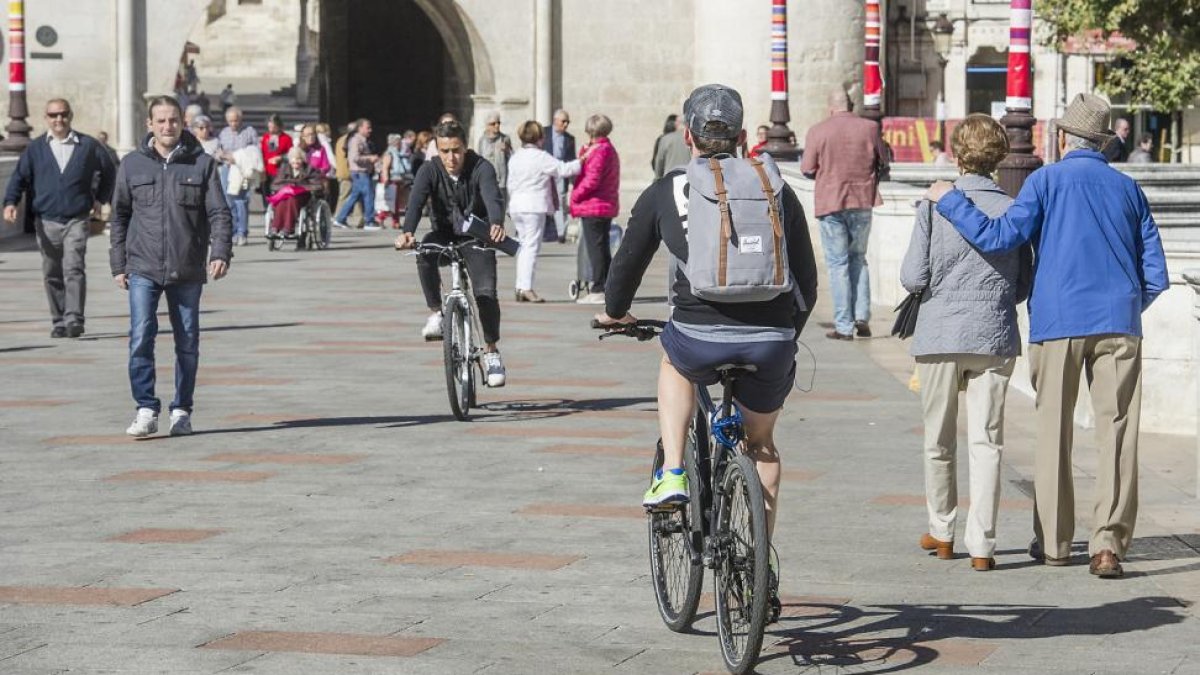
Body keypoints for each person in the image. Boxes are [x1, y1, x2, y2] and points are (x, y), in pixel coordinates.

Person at [594, 84, 818, 616]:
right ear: (743, 138)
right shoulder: (775, 188)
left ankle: (672, 469)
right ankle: (758, 568)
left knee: (673, 357)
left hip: (697, 332)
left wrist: (617, 312)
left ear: (687, 135)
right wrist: (786, 331)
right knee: (762, 445)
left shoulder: (668, 189)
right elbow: (805, 278)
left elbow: (623, 269)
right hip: (771, 339)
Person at [925, 93, 1169, 579]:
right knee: (1117, 434)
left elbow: (999, 237)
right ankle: (1108, 546)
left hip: (1058, 323)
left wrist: (949, 200)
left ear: (1063, 137)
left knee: (1053, 432)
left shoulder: (1045, 182)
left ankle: (1055, 543)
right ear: (1103, 143)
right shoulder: (1129, 190)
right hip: (1119, 323)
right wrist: (1123, 304)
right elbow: (1156, 275)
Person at [900, 114, 1033, 572]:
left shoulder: (935, 205)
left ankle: (942, 530)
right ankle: (984, 545)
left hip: (939, 334)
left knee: (938, 439)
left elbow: (912, 276)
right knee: (988, 441)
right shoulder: (1014, 207)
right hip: (993, 334)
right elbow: (1022, 285)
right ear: (999, 158)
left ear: (958, 155)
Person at [109, 95, 232, 437]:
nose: (167, 127)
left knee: (187, 341)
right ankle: (146, 407)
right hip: (143, 266)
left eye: (173, 120)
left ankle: (182, 409)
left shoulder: (201, 164)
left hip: (187, 266)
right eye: (160, 121)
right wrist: (118, 263)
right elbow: (118, 215)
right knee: (139, 337)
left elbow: (219, 213)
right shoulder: (132, 165)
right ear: (149, 124)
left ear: (182, 123)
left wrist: (220, 252)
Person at [394, 120, 509, 387]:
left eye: (456, 150)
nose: (450, 157)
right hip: (444, 234)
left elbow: (493, 198)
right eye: (444, 151)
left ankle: (491, 351)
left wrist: (496, 224)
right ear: (437, 148)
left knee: (485, 293)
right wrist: (407, 232)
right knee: (424, 253)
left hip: (476, 236)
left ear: (465, 147)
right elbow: (416, 202)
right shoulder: (429, 169)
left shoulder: (482, 167)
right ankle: (436, 312)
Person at [3, 98, 116, 338]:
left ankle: (74, 318)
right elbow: (19, 177)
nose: (58, 120)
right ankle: (59, 320)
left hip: (77, 217)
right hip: (45, 220)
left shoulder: (88, 145)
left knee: (74, 267)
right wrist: (10, 202)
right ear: (46, 118)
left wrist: (100, 199)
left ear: (70, 116)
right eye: (53, 115)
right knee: (51, 271)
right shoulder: (35, 149)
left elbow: (109, 171)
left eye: (63, 114)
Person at [801, 87, 890, 341]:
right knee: (859, 258)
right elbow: (882, 160)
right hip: (862, 199)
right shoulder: (870, 128)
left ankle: (843, 324)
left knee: (838, 263)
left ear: (831, 107)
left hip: (831, 202)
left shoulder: (818, 130)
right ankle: (862, 316)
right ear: (851, 105)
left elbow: (807, 168)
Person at [506, 120, 581, 302]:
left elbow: (511, 183)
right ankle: (526, 287)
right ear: (539, 138)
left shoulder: (516, 156)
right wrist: (583, 160)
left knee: (523, 246)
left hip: (517, 205)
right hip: (533, 205)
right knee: (531, 247)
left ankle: (520, 285)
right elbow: (563, 169)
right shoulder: (540, 157)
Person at [570, 113, 620, 305]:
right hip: (601, 205)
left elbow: (592, 179)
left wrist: (575, 196)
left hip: (595, 205)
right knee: (601, 247)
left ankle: (598, 287)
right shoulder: (602, 148)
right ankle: (605, 286)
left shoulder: (601, 151)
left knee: (596, 249)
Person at [216, 105, 257, 246]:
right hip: (228, 169)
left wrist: (239, 158)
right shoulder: (224, 132)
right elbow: (219, 151)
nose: (234, 124)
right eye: (231, 121)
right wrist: (222, 156)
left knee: (242, 201)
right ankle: (232, 231)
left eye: (236, 121)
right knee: (228, 202)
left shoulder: (249, 131)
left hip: (242, 170)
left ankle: (242, 232)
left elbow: (254, 151)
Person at [334, 118, 379, 230]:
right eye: (367, 127)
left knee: (355, 196)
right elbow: (354, 157)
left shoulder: (362, 140)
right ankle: (369, 221)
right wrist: (370, 158)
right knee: (368, 196)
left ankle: (340, 218)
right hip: (360, 172)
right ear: (360, 128)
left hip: (362, 172)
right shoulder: (356, 140)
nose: (370, 130)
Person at [268, 147, 323, 238]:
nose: (296, 161)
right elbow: (275, 184)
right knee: (281, 200)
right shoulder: (283, 168)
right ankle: (275, 227)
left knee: (292, 199)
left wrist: (300, 187)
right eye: (293, 158)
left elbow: (317, 185)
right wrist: (287, 187)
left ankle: (288, 229)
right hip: (286, 194)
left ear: (303, 159)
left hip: (302, 196)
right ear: (289, 160)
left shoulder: (309, 169)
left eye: (298, 158)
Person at [543, 109, 576, 242]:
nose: (566, 124)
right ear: (555, 120)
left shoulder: (569, 139)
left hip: (560, 174)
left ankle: (561, 233)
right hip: (544, 172)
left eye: (568, 122)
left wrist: (572, 181)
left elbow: (571, 159)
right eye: (564, 121)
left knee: (560, 203)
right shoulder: (543, 133)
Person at [477, 111, 513, 211]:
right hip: (487, 180)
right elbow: (479, 160)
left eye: (498, 123)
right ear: (487, 126)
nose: (496, 126)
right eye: (493, 124)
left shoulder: (505, 139)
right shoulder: (482, 141)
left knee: (500, 210)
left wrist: (507, 150)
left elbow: (513, 158)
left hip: (501, 181)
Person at [378, 132, 414, 227]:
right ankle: (381, 218)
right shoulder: (389, 153)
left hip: (397, 179)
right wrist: (385, 179)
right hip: (391, 180)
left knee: (395, 202)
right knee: (389, 202)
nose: (400, 144)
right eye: (398, 142)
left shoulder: (397, 153)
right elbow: (385, 167)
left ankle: (395, 221)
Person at [259, 114, 293, 207]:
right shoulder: (266, 137)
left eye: (274, 127)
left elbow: (291, 154)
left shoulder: (286, 138)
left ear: (279, 126)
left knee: (278, 193)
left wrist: (281, 158)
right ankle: (267, 210)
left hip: (280, 170)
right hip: (266, 169)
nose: (271, 129)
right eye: (269, 127)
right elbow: (262, 152)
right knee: (266, 193)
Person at [652, 115, 690, 180]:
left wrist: (658, 178)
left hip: (670, 179)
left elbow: (659, 161)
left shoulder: (665, 139)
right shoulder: (692, 138)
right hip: (689, 177)